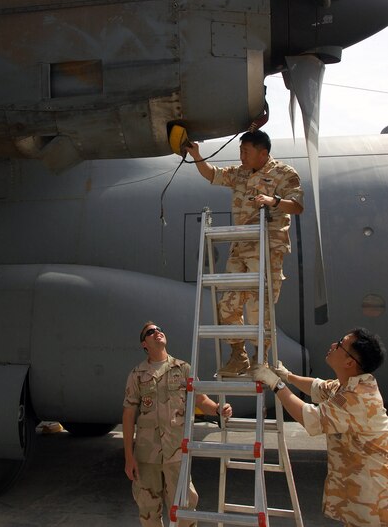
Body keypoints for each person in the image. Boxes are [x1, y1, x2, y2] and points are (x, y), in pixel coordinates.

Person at [186, 130, 304, 376]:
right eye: (240, 151)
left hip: (266, 246)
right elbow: (212, 175)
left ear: (263, 153)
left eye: (246, 152)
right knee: (226, 306)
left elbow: (297, 206)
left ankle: (261, 359)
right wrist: (196, 155)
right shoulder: (239, 173)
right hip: (240, 246)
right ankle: (238, 355)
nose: (241, 156)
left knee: (258, 306)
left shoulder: (284, 173)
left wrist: (273, 201)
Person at [253, 327, 388, 527]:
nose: (334, 345)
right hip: (360, 493)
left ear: (349, 362)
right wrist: (287, 376)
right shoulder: (350, 385)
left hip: (371, 499)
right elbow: (319, 388)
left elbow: (311, 419)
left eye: (341, 344)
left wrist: (276, 384)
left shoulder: (358, 398)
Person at [122, 321, 232, 527]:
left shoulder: (182, 369)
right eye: (150, 332)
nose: (157, 333)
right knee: (148, 512)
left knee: (184, 511)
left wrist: (218, 409)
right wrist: (129, 457)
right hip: (147, 457)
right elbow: (128, 416)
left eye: (159, 329)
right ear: (144, 344)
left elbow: (201, 400)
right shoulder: (137, 375)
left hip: (176, 454)